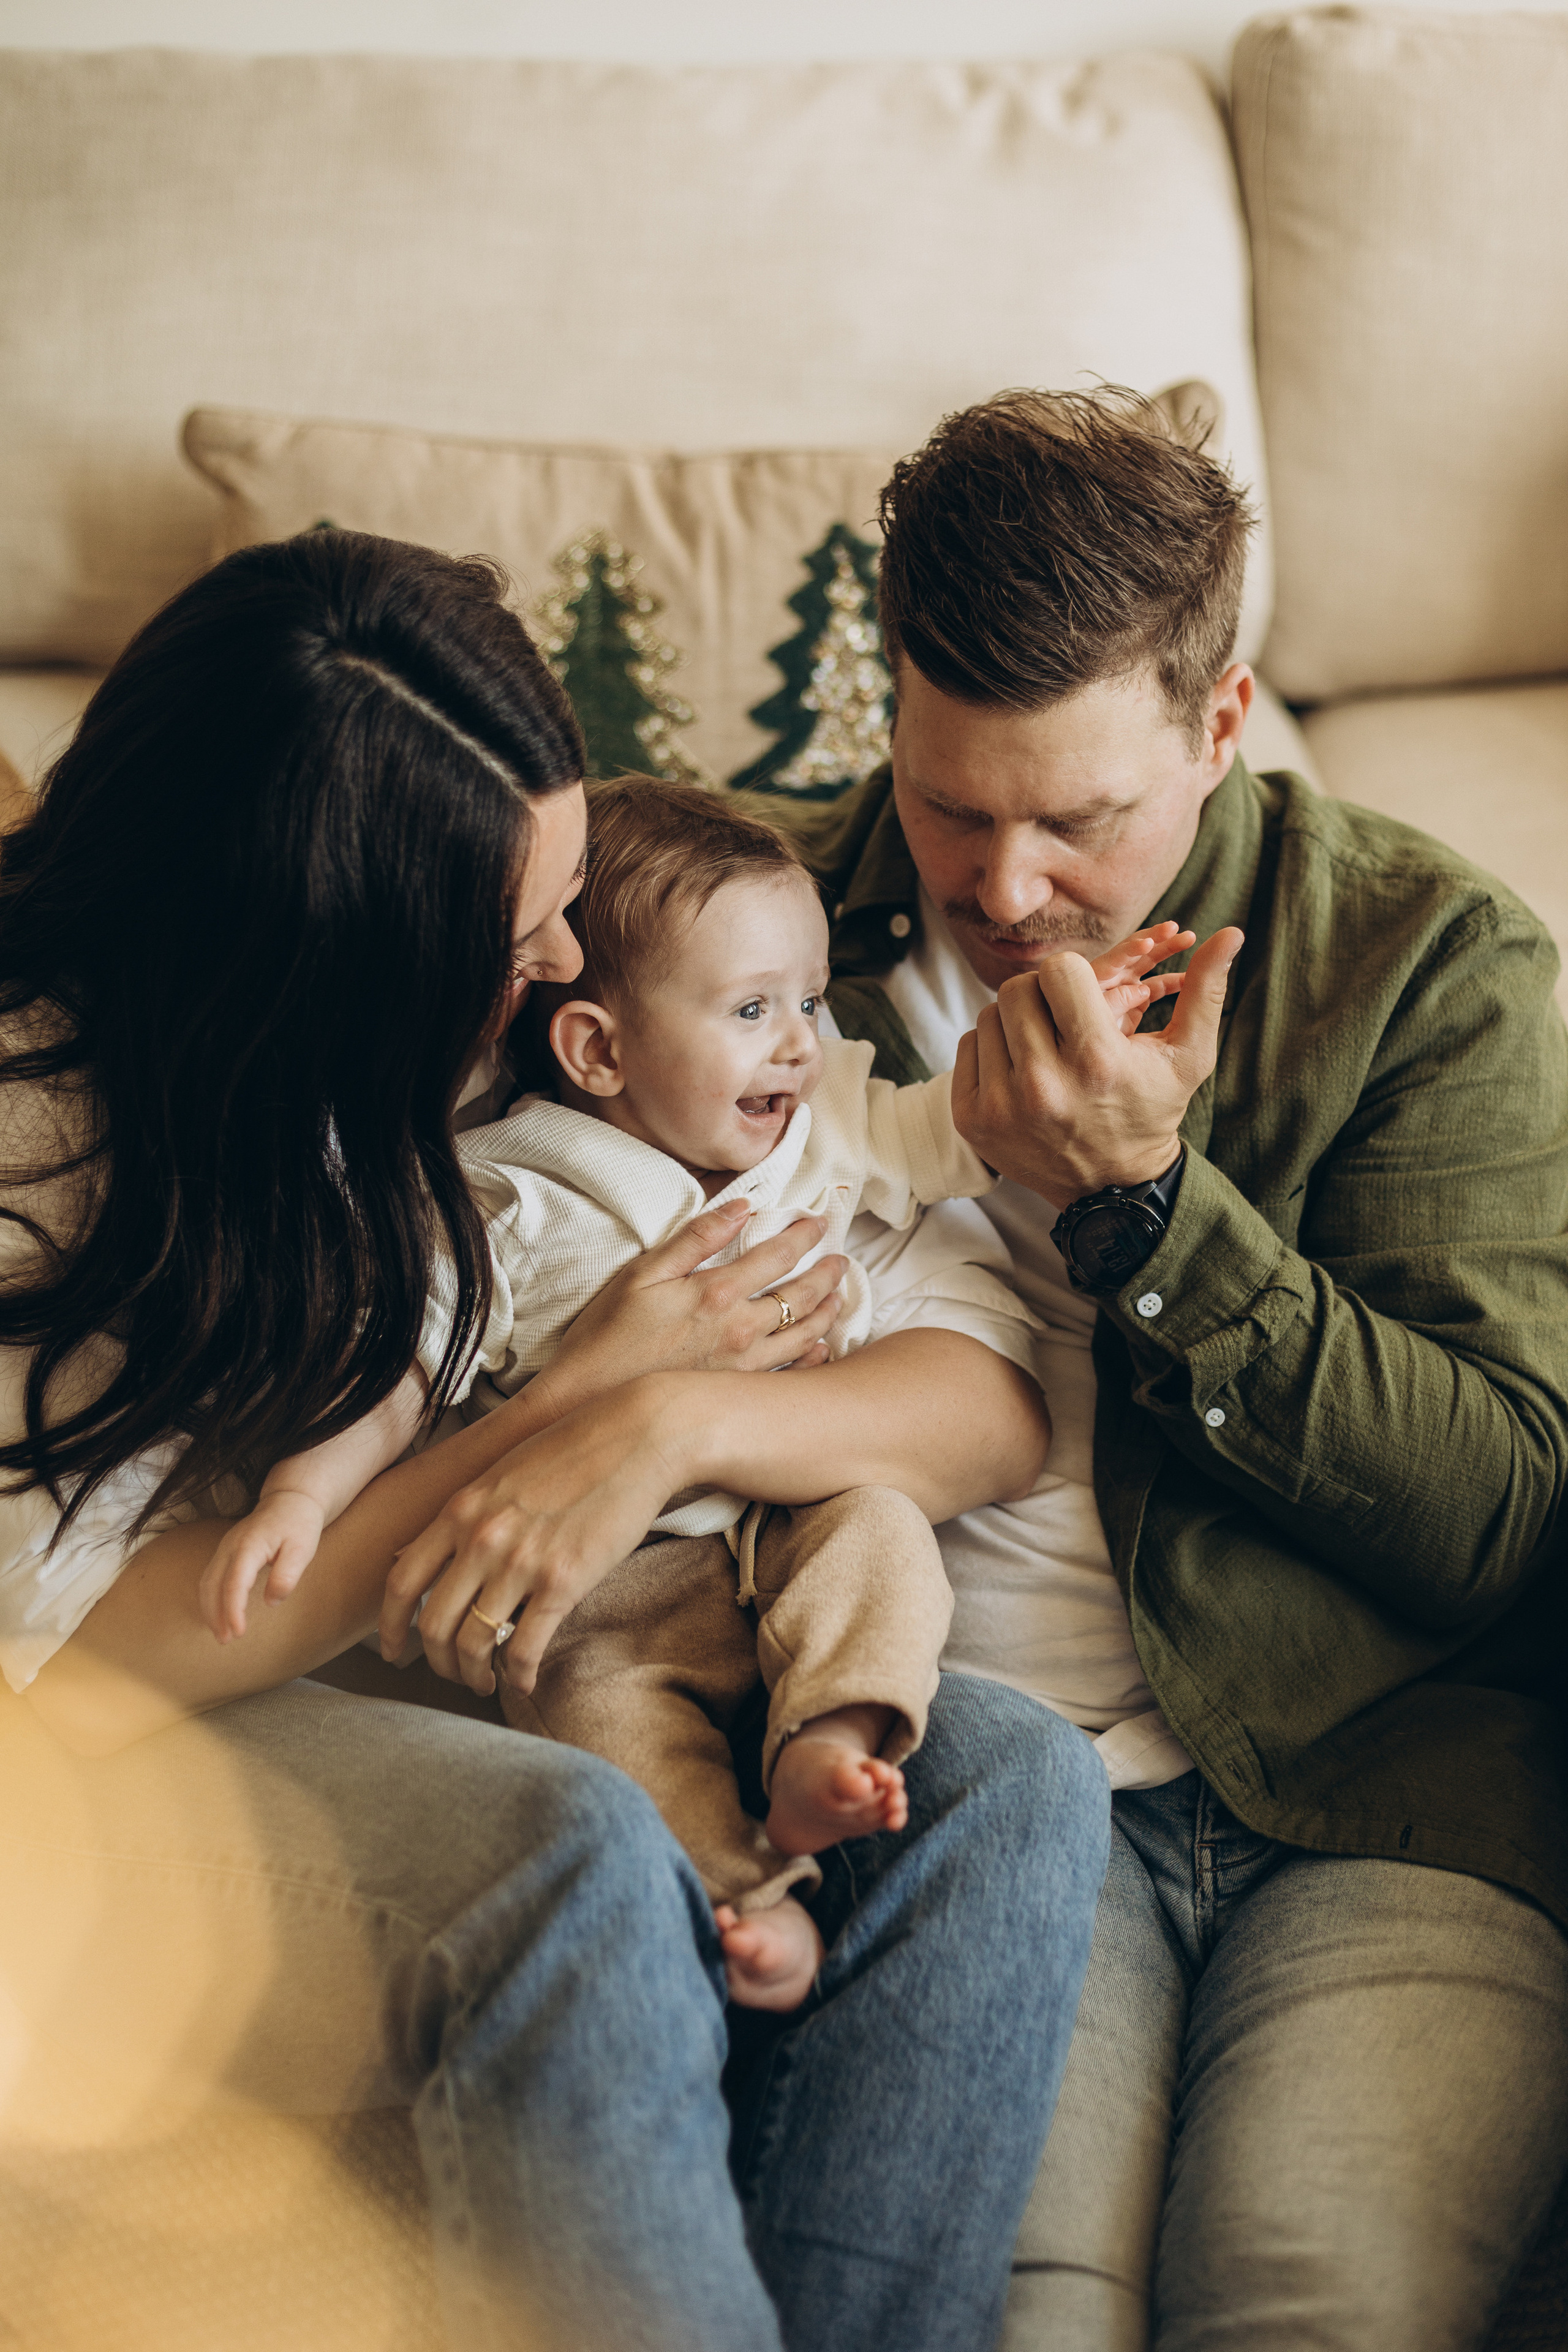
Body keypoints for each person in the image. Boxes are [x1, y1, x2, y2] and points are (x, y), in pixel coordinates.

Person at [0, 527, 1112, 2352]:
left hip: (458, 1610)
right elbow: (80, 1670)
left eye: (569, 894)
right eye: (516, 939)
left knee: (1006, 1776)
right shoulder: (49, 1142)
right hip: (113, 1719)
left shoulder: (573, 1031)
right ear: (331, 950)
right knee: (573, 1853)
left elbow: (985, 1406)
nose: (563, 959)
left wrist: (667, 1413)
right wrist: (566, 1420)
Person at [755, 385, 1568, 2350]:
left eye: (1082, 821)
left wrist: (1145, 1208)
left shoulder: (1426, 960)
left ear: (1222, 725)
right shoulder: (732, 940)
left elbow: (1496, 1517)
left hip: (1385, 1786)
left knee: (1307, 2298)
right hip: (990, 1786)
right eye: (953, 806)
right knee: (1035, 2312)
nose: (1006, 887)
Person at [200, 769, 1180, 2013]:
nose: (801, 1042)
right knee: (597, 1707)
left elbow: (954, 1129)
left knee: (882, 1540)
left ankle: (833, 1740)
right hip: (611, 1571)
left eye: (811, 1001)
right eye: (754, 1008)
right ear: (597, 1049)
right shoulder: (512, 1194)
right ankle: (743, 1900)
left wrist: (1072, 1030)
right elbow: (396, 1362)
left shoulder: (821, 1122)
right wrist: (300, 1497)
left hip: (790, 1504)